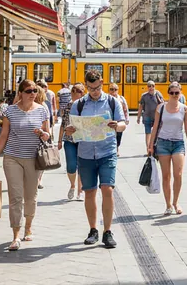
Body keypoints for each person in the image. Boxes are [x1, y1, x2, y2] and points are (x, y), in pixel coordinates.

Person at [63, 70, 127, 248]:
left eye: (97, 87)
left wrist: (117, 126)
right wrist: (70, 130)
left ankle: (107, 231)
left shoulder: (113, 102)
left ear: (102, 82)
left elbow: (123, 124)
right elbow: (72, 125)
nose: (94, 91)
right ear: (86, 86)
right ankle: (93, 230)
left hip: (107, 152)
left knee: (107, 189)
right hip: (85, 153)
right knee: (89, 192)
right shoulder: (79, 104)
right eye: (90, 88)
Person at [0, 80, 51, 251]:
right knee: (16, 197)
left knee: (30, 196)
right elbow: (3, 136)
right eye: (29, 91)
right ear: (21, 93)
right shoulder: (11, 111)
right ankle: (16, 235)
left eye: (35, 91)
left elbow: (48, 134)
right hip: (12, 158)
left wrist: (43, 134)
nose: (33, 94)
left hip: (33, 159)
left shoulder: (42, 110)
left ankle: (28, 226)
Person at [148, 82, 187, 216]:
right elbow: (155, 127)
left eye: (177, 93)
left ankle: (176, 202)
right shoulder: (160, 107)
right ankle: (168, 204)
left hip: (178, 143)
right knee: (166, 175)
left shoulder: (184, 109)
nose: (174, 95)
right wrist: (151, 145)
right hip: (163, 143)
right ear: (168, 93)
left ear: (180, 93)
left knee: (178, 175)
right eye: (172, 93)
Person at [58, 83, 86, 201]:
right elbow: (63, 124)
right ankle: (72, 185)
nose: (75, 94)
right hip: (69, 140)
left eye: (78, 91)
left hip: (83, 140)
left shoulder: (87, 106)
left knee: (82, 166)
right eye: (73, 92)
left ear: (82, 93)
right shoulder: (68, 106)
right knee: (71, 166)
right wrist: (59, 140)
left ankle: (80, 191)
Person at [137, 81, 164, 148]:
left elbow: (162, 105)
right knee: (148, 133)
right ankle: (148, 148)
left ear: (154, 86)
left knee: (157, 133)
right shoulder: (144, 96)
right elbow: (141, 107)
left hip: (156, 117)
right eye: (149, 86)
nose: (151, 88)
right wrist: (138, 117)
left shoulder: (158, 94)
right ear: (147, 87)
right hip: (147, 117)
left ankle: (155, 147)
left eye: (152, 86)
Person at [108, 84, 128, 148]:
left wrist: (126, 119)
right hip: (109, 121)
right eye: (111, 89)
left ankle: (117, 147)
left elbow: (125, 109)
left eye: (115, 89)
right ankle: (114, 149)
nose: (113, 91)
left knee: (119, 135)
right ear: (109, 90)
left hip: (119, 120)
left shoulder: (121, 99)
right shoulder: (106, 99)